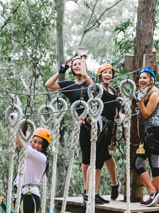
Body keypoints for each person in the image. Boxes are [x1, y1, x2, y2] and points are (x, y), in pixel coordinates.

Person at [45, 52, 111, 204]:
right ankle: (88, 192)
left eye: (79, 64)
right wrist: (60, 72)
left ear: (85, 66)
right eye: (74, 65)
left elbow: (95, 89)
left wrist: (84, 71)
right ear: (72, 69)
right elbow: (48, 84)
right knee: (86, 159)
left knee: (97, 160)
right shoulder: (69, 85)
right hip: (83, 125)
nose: (77, 66)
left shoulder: (92, 81)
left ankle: (94, 192)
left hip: (97, 124)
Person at [133, 67, 159, 206]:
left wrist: (139, 101)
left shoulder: (154, 93)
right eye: (140, 78)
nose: (141, 80)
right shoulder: (144, 93)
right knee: (154, 163)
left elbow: (146, 114)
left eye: (145, 77)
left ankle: (153, 192)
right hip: (151, 131)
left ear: (151, 80)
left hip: (153, 130)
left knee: (137, 163)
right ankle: (157, 196)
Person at [96, 63, 121, 200]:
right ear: (100, 75)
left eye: (110, 73)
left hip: (110, 126)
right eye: (105, 73)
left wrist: (119, 115)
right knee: (100, 157)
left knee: (107, 155)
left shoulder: (113, 91)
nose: (107, 75)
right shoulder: (98, 89)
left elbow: (117, 106)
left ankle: (114, 183)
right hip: (101, 125)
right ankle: (94, 192)